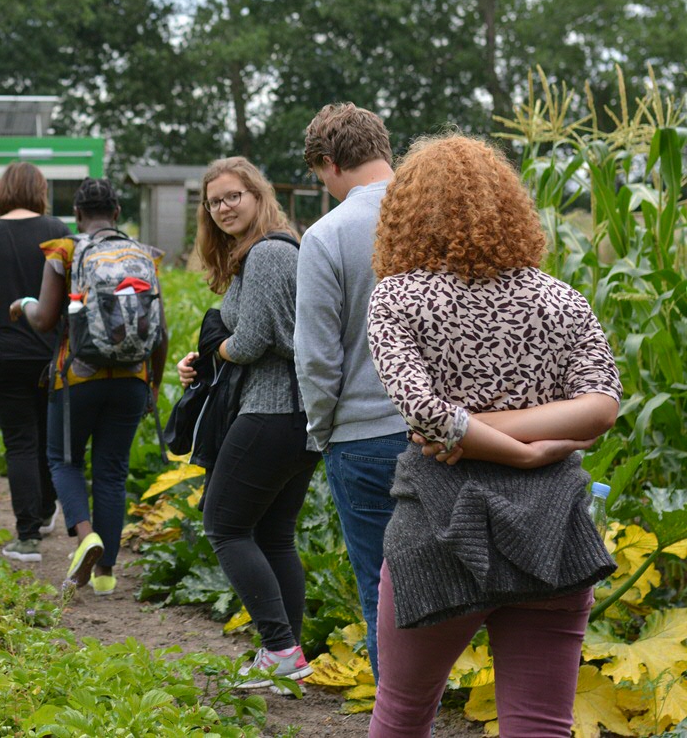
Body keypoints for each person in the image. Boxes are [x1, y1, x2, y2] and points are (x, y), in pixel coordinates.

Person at [365, 135, 620, 738]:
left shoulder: (396, 298)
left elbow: (426, 416)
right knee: (541, 725)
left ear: (405, 214)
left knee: (403, 713)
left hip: (437, 528)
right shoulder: (561, 300)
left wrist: (485, 436)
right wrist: (534, 452)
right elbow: (601, 406)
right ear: (512, 205)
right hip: (552, 530)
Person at [175, 157, 320, 689]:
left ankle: (279, 646)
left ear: (259, 196)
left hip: (272, 410)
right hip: (298, 415)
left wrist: (217, 349)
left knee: (224, 525)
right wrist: (210, 357)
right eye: (214, 202)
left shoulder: (269, 254)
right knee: (274, 534)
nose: (223, 208)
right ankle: (287, 656)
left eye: (233, 196)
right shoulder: (278, 252)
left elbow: (254, 339)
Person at [293, 103, 409, 683]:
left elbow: (316, 356)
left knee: (383, 590)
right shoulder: (445, 214)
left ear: (329, 163)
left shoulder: (329, 233)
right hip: (461, 432)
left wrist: (320, 431)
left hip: (363, 436)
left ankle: (401, 715)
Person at [10, 178, 166, 596]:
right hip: (133, 378)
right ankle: (106, 574)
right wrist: (152, 386)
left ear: (77, 215)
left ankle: (86, 538)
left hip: (77, 375)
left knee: (64, 461)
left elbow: (44, 319)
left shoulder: (65, 250)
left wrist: (22, 305)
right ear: (116, 213)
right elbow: (161, 332)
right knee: (112, 473)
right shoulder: (144, 256)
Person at [0, 162, 69, 562]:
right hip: (51, 355)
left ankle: (27, 536)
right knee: (48, 438)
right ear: (40, 189)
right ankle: (44, 510)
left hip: (3, 354)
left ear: (2, 190)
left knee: (20, 441)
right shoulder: (58, 231)